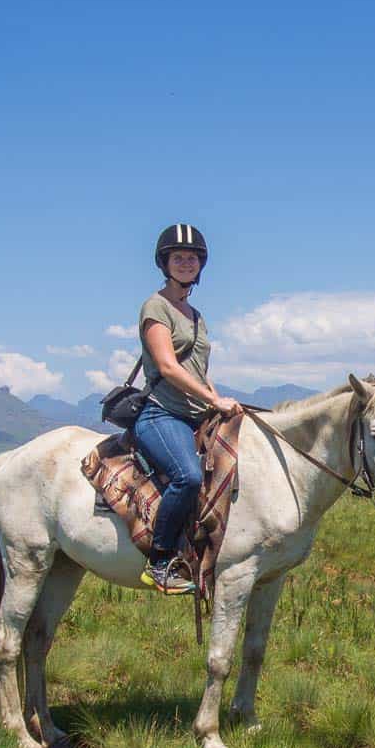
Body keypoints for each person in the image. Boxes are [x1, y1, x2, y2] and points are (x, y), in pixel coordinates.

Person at [130, 223, 243, 595]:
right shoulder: (156, 306)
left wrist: (220, 398)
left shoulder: (196, 315)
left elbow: (198, 370)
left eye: (192, 258)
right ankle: (160, 560)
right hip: (162, 414)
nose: (185, 263)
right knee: (189, 477)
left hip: (196, 413)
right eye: (178, 257)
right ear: (164, 262)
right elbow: (167, 367)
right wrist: (212, 400)